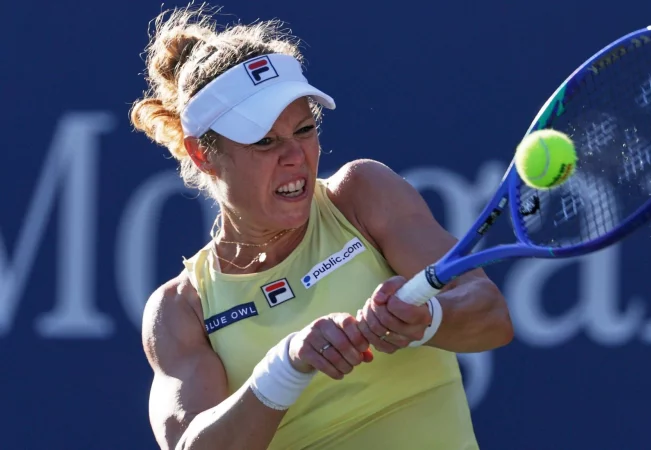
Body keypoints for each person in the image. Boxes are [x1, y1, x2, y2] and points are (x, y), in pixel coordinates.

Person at [131, 5, 513, 450]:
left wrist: (427, 320)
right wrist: (286, 368)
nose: (295, 156)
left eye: (305, 128)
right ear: (202, 154)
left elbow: (491, 314)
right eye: (265, 141)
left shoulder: (362, 195)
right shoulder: (181, 310)